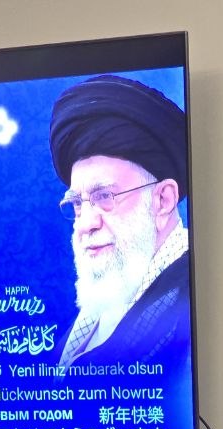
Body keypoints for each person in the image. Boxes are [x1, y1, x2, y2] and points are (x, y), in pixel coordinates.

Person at [49, 73, 190, 370]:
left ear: (163, 200)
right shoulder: (93, 318)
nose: (85, 224)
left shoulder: (189, 304)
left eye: (104, 196)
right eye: (77, 204)